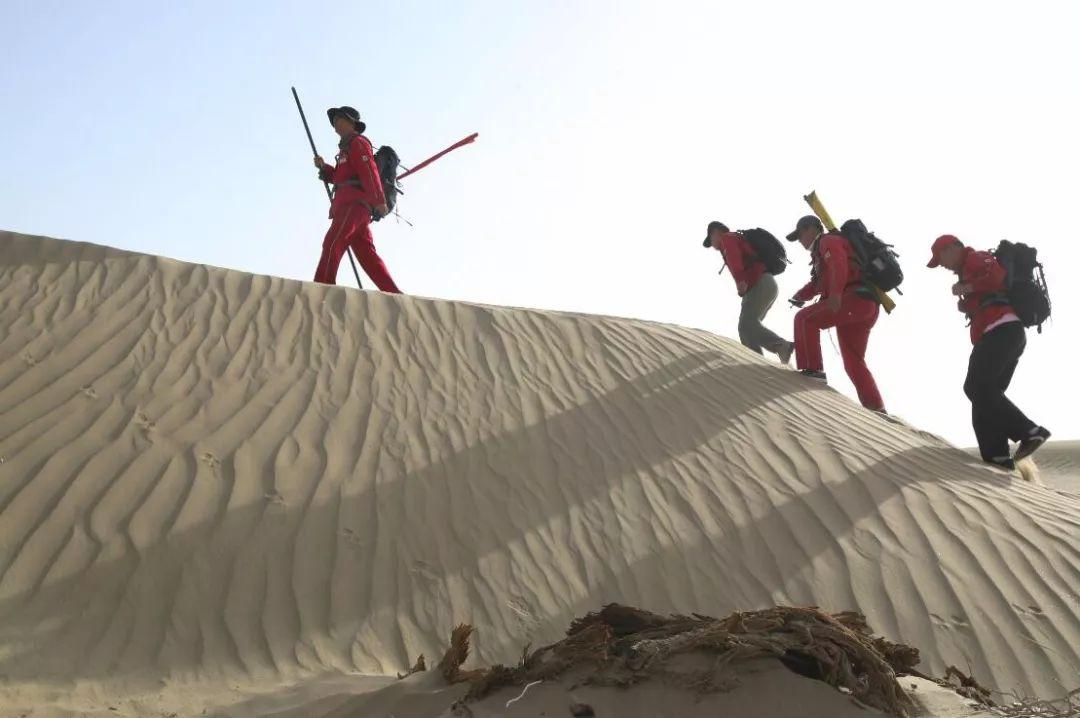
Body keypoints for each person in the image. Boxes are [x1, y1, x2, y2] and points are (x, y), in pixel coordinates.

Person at [926, 234, 1051, 469]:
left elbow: (997, 278)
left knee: (975, 387)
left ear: (951, 248)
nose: (941, 264)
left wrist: (968, 287)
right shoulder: (967, 268)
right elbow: (989, 293)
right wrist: (967, 302)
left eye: (940, 258)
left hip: (1001, 331)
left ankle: (1030, 431)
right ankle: (997, 457)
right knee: (985, 396)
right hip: (1003, 333)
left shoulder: (975, 258)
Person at [786, 215, 885, 412]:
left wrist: (837, 294)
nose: (799, 240)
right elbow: (819, 283)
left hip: (852, 299)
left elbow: (838, 265)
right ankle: (877, 408)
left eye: (800, 234)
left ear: (812, 229)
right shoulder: (821, 251)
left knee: (804, 319)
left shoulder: (827, 241)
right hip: (866, 304)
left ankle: (813, 372)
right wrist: (800, 295)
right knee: (853, 361)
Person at [312, 106, 401, 292]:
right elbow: (341, 178)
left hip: (353, 206)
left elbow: (369, 171)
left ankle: (322, 287)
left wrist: (378, 200)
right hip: (350, 207)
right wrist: (325, 168)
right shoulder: (345, 151)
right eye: (333, 121)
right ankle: (394, 294)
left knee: (332, 242)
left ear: (351, 122)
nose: (335, 124)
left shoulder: (358, 143)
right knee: (368, 256)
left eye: (338, 120)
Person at [703, 221, 794, 362]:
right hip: (765, 284)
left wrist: (740, 280)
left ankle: (781, 346)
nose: (712, 246)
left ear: (715, 232)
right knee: (747, 330)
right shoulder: (737, 238)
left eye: (710, 239)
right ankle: (756, 363)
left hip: (760, 283)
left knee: (746, 325)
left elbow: (734, 258)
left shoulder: (728, 238)